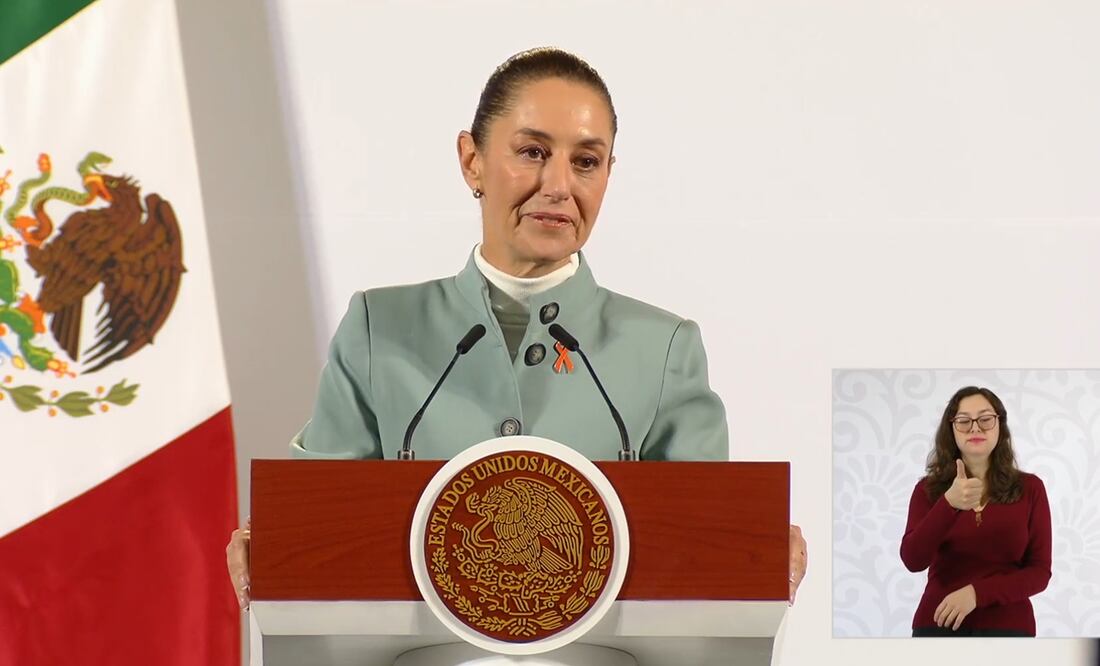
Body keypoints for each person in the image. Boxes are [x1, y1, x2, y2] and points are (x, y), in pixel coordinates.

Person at [226, 46, 807, 609]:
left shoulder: (663, 349)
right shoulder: (380, 329)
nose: (559, 185)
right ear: (471, 160)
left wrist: (752, 550)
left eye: (586, 162)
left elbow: (701, 556)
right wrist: (271, 545)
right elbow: (319, 527)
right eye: (532, 152)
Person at [900, 386, 1051, 636]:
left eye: (985, 419)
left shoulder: (1031, 488)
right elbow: (913, 561)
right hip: (938, 625)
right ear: (951, 429)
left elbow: (1039, 572)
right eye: (963, 421)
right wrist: (948, 504)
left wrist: (976, 594)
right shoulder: (928, 490)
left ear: (1000, 425)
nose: (975, 428)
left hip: (1010, 629)